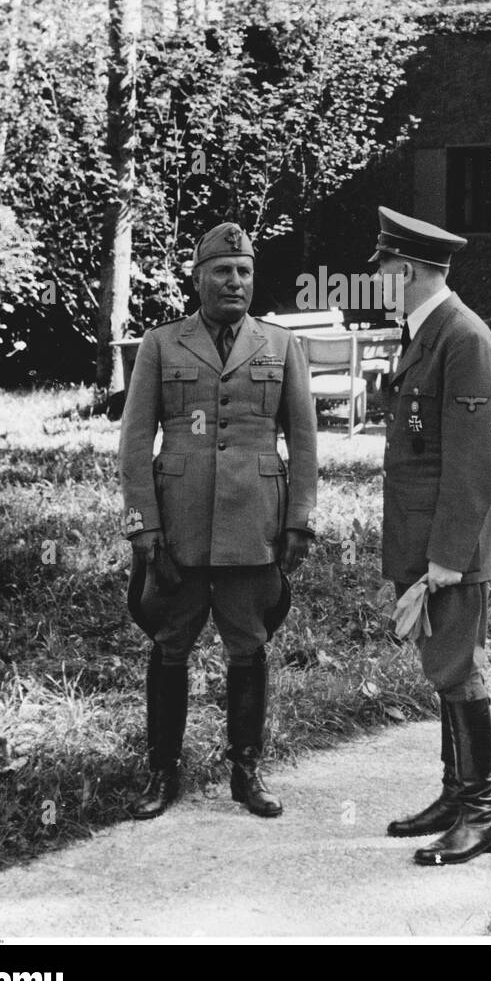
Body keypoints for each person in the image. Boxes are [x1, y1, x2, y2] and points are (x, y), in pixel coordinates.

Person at [118, 222, 317, 820]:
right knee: (170, 646)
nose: (235, 282)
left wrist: (300, 521)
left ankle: (247, 771)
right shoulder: (162, 344)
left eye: (245, 271)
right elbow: (134, 441)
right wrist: (142, 525)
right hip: (176, 526)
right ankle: (161, 773)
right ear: (198, 278)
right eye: (223, 271)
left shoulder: (282, 346)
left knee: (248, 647)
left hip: (254, 523)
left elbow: (304, 442)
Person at [371, 205, 491, 866]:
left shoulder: (462, 338)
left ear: (405, 270)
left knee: (460, 672)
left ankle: (482, 817)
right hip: (423, 537)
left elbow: (473, 462)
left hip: (448, 548)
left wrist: (448, 559)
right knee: (443, 669)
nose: (377, 278)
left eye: (383, 268)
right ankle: (456, 796)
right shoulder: (424, 333)